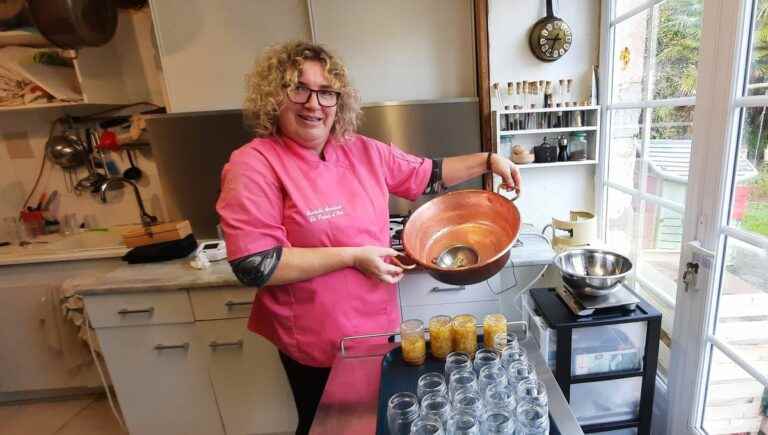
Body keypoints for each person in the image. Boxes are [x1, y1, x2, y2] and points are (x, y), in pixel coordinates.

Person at [216, 41, 521, 435]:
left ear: (338, 101)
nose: (314, 104)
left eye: (326, 92)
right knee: (329, 427)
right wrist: (353, 256)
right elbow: (256, 264)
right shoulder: (254, 163)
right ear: (274, 97)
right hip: (317, 340)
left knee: (375, 423)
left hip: (377, 330)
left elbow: (429, 173)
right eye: (299, 88)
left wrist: (488, 160)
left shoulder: (361, 150)